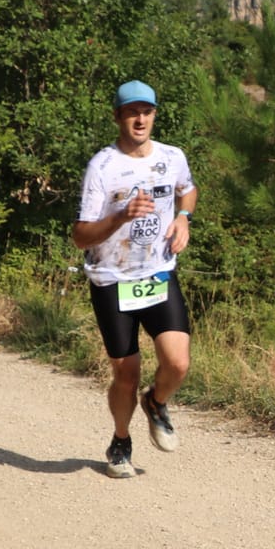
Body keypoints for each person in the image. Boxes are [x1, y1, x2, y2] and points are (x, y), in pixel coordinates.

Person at [72, 80, 198, 479]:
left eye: (146, 111)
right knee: (126, 374)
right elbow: (80, 236)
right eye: (131, 112)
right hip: (113, 280)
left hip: (158, 274)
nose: (140, 118)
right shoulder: (103, 167)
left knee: (177, 364)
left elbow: (188, 190)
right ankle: (121, 440)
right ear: (118, 117)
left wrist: (184, 218)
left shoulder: (172, 156)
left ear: (155, 115)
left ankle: (157, 403)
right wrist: (121, 216)